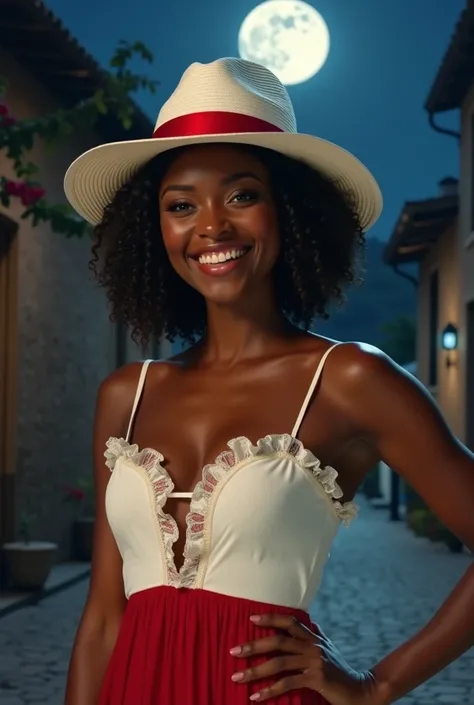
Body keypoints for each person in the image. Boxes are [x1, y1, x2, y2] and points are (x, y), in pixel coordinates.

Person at [63, 58, 474, 705]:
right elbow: (103, 618)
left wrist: (379, 683)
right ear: (155, 229)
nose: (212, 226)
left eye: (242, 194)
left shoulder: (349, 379)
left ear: (291, 212)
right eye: (180, 205)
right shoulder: (127, 392)